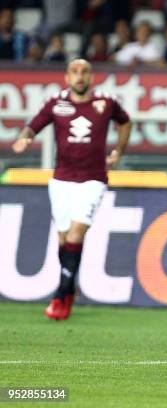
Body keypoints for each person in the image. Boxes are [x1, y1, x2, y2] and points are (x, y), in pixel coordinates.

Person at [11, 59, 132, 320]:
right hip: (62, 180)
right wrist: (24, 138)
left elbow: (125, 122)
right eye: (75, 72)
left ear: (91, 77)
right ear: (67, 77)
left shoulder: (106, 102)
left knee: (76, 234)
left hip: (93, 179)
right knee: (64, 239)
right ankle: (69, 288)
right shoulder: (56, 102)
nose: (80, 76)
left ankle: (59, 297)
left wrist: (118, 151)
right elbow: (34, 125)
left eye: (85, 72)